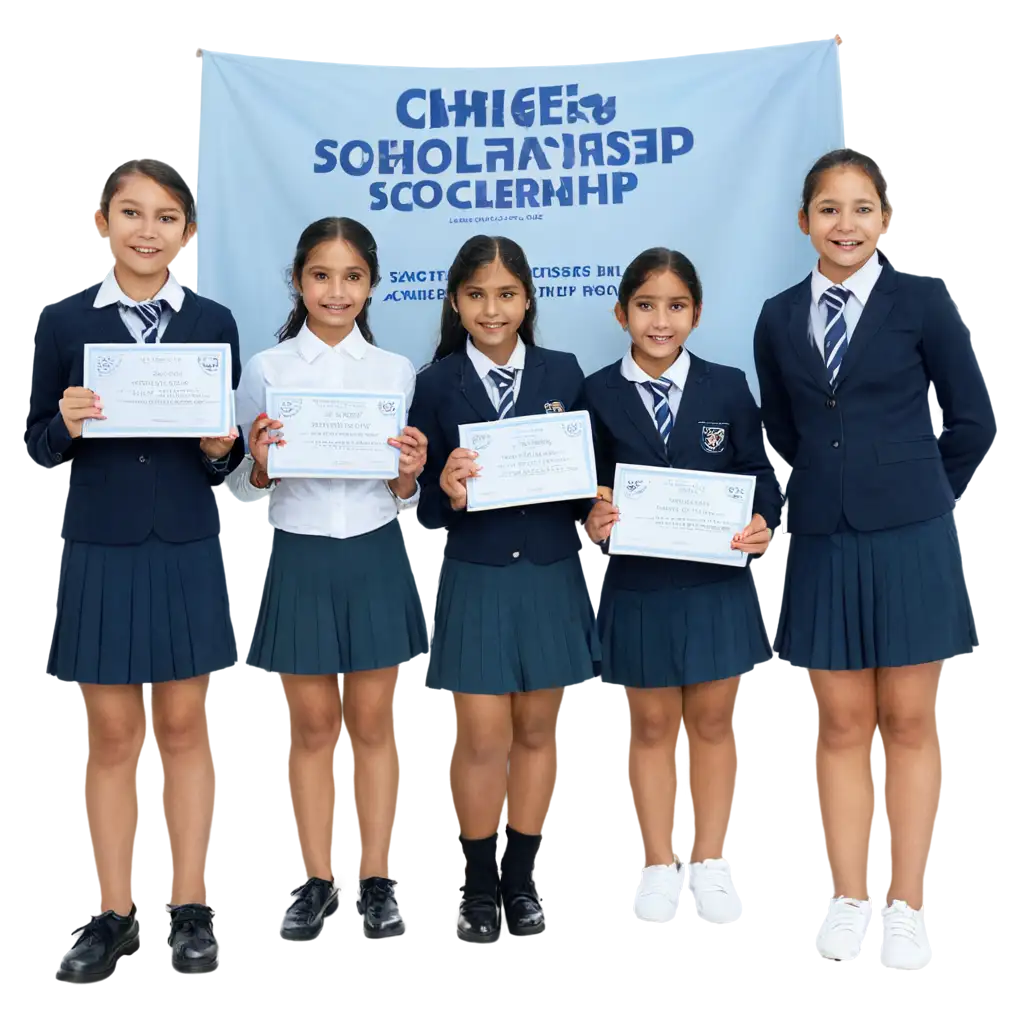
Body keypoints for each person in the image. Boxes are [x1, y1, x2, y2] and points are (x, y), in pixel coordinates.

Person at [753, 147, 994, 971]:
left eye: (861, 209)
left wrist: (924, 491)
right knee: (843, 725)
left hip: (910, 538)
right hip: (823, 537)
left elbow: (973, 422)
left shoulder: (921, 302)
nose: (845, 224)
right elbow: (779, 434)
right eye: (829, 208)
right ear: (803, 222)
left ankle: (908, 905)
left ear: (885, 220)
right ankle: (849, 899)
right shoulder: (778, 316)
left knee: (910, 723)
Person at [25, 154, 244, 975]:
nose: (146, 231)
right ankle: (113, 908)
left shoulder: (214, 321)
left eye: (164, 217)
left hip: (185, 544)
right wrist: (67, 425)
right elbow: (34, 440)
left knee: (186, 731)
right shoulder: (62, 319)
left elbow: (220, 453)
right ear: (100, 222)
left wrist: (223, 450)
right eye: (130, 212)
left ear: (188, 234)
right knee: (112, 738)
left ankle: (189, 904)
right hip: (105, 547)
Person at [230, 216, 427, 937]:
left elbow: (402, 493)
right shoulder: (268, 369)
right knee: (313, 727)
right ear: (298, 281)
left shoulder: (396, 371)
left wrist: (409, 475)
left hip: (372, 548)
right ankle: (312, 874)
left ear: (371, 284)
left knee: (373, 727)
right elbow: (252, 478)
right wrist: (256, 458)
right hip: (303, 550)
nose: (336, 291)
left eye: (351, 277)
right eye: (321, 276)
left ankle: (376, 876)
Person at [407, 235, 599, 938]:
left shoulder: (564, 375)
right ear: (456, 302)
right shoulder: (435, 384)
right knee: (484, 737)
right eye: (478, 295)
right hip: (479, 576)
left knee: (538, 733)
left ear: (528, 300)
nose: (493, 309)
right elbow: (426, 504)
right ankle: (480, 882)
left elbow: (583, 486)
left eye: (507, 294)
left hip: (549, 575)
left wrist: (600, 506)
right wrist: (449, 491)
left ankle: (521, 881)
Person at [582, 247, 781, 926]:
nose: (659, 321)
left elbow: (761, 473)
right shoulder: (597, 391)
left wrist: (764, 520)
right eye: (645, 306)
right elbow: (585, 486)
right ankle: (659, 863)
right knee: (653, 725)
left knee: (715, 722)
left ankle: (713, 860)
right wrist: (593, 513)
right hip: (640, 585)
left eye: (674, 307)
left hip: (716, 584)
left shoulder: (727, 386)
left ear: (696, 313)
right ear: (620, 313)